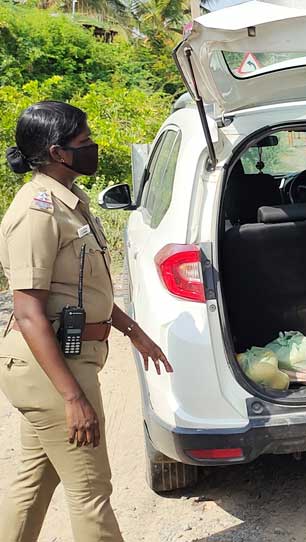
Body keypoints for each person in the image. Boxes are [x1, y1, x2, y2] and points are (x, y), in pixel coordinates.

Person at [0, 101, 172, 542]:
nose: (92, 146)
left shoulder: (68, 202)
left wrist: (134, 332)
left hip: (58, 361)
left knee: (34, 481)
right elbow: (28, 311)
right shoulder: (37, 213)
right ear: (58, 153)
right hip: (51, 367)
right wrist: (73, 397)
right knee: (91, 490)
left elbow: (82, 292)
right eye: (84, 141)